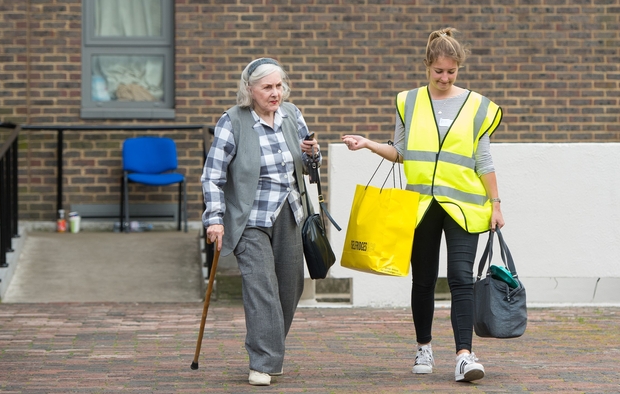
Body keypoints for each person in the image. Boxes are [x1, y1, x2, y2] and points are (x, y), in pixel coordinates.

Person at [342, 27, 505, 383]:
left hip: (464, 206)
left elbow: (484, 161)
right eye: (438, 71)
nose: (445, 78)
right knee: (424, 280)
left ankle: (464, 355)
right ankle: (424, 347)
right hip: (419, 206)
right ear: (427, 66)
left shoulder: (478, 107)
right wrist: (368, 143)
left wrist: (496, 204)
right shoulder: (408, 101)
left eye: (451, 71)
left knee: (462, 279)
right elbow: (400, 153)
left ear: (458, 68)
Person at [201, 57, 320, 387]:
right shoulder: (233, 122)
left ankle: (271, 350)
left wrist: (312, 154)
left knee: (290, 286)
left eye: (279, 85)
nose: (275, 93)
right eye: (267, 87)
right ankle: (263, 361)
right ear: (249, 90)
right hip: (248, 218)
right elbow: (212, 176)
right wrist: (214, 219)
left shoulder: (292, 115)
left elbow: (309, 169)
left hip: (290, 212)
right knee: (261, 286)